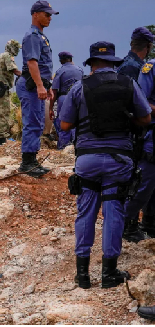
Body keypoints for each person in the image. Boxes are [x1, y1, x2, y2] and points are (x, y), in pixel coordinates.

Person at [59, 41, 152, 289]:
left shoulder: (80, 87)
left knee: (86, 212)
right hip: (117, 161)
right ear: (114, 63)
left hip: (87, 161)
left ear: (91, 64)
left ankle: (83, 274)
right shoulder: (128, 84)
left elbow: (65, 126)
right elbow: (145, 118)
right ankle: (109, 273)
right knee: (113, 212)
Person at [16, 1, 58, 178]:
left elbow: (42, 65)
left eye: (50, 15)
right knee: (32, 122)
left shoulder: (40, 36)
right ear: (35, 14)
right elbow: (32, 63)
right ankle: (27, 163)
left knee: (38, 122)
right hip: (31, 85)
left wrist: (46, 86)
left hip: (38, 85)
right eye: (46, 14)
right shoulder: (33, 36)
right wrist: (40, 85)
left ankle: (32, 160)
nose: (49, 18)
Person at [122, 55, 155, 243]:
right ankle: (127, 223)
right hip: (151, 135)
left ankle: (150, 222)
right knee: (144, 181)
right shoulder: (150, 68)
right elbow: (141, 102)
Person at [0, 40, 22, 147]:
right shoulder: (8, 56)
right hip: (0, 88)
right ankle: (3, 141)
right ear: (11, 47)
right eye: (16, 48)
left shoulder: (0, 55)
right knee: (3, 113)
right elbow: (14, 70)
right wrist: (26, 76)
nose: (17, 50)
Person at [49, 52, 83, 150]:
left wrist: (50, 108)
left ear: (61, 60)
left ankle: (63, 147)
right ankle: (77, 146)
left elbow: (54, 91)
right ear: (71, 59)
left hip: (64, 98)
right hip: (79, 97)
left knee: (63, 122)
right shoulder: (80, 70)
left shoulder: (60, 71)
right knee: (77, 122)